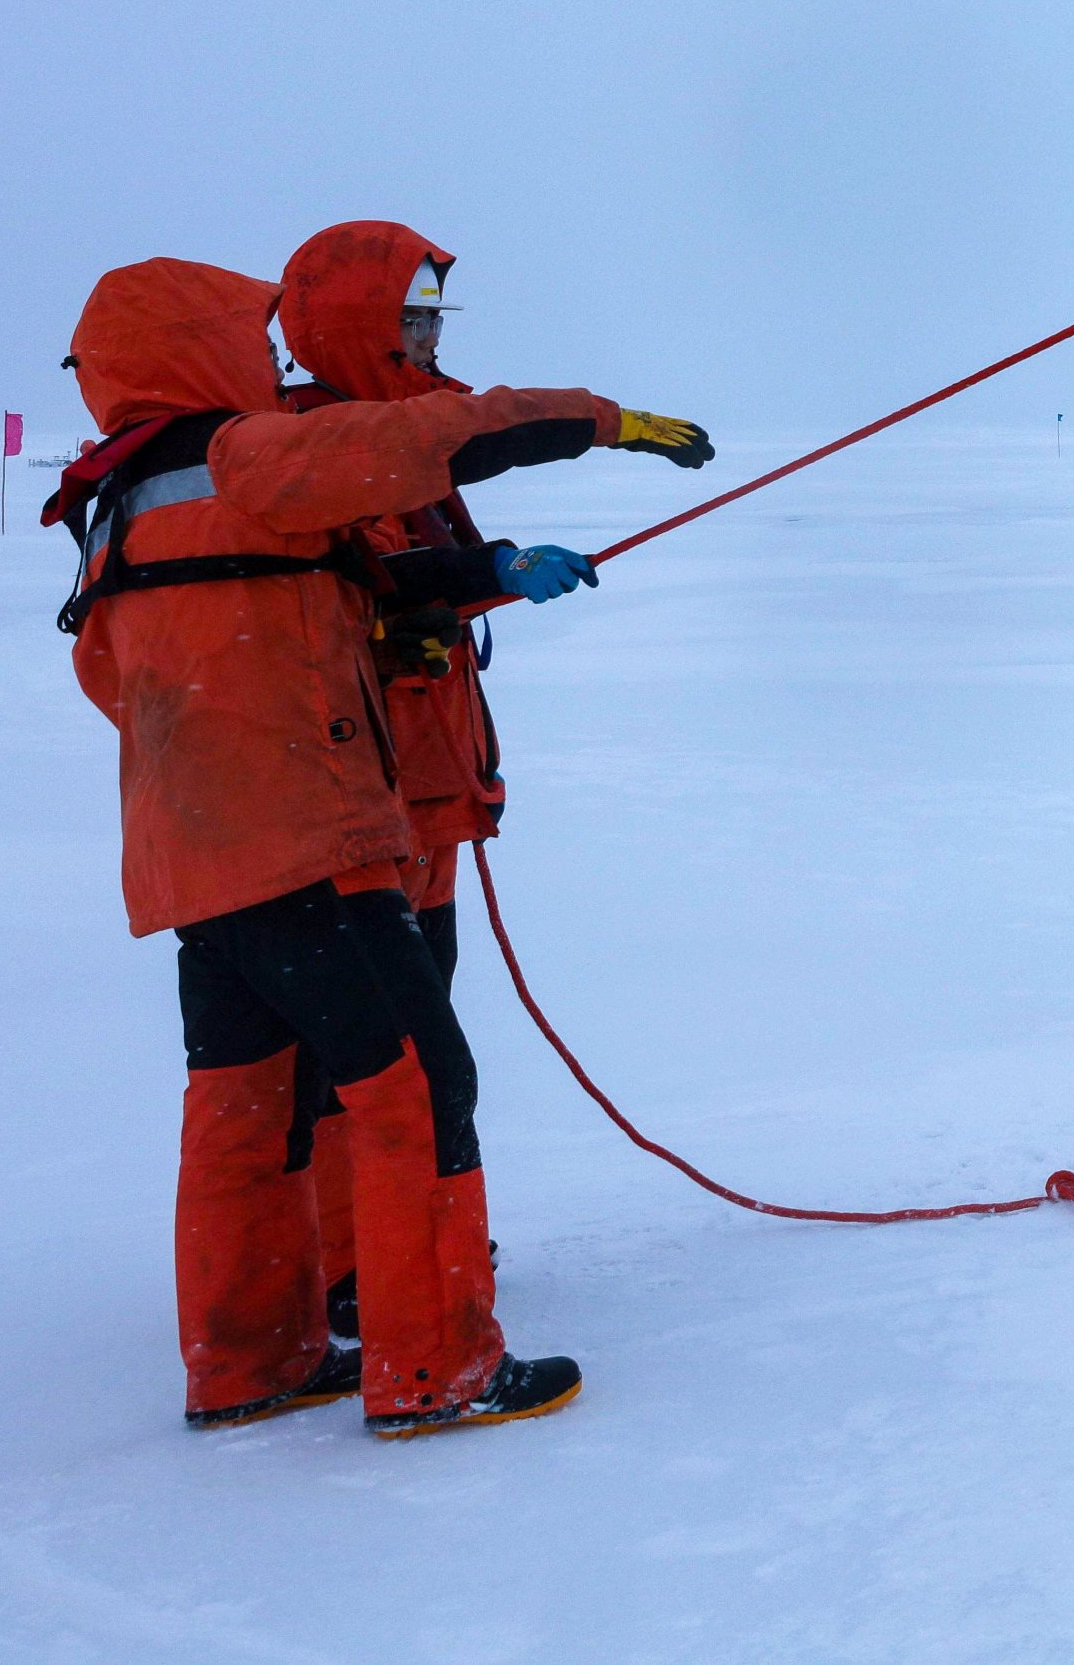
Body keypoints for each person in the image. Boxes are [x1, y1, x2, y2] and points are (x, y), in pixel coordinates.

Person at [53, 257, 711, 1437]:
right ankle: (434, 1368)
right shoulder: (247, 453)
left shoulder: (125, 496)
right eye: (249, 340)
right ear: (195, 348)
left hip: (194, 860)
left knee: (251, 1104)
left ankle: (246, 1360)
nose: (268, 361)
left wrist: (482, 572)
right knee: (418, 1084)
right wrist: (598, 424)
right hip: (304, 841)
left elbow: (174, 646)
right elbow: (432, 439)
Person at [273, 223, 606, 1347]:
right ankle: (358, 1264)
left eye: (434, 319)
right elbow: (364, 583)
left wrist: (484, 575)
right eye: (408, 318)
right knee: (378, 1049)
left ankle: (393, 1242)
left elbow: (411, 581)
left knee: (419, 1025)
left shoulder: (409, 441)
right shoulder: (318, 441)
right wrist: (482, 572)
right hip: (365, 794)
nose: (425, 336)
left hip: (429, 788)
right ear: (356, 322)